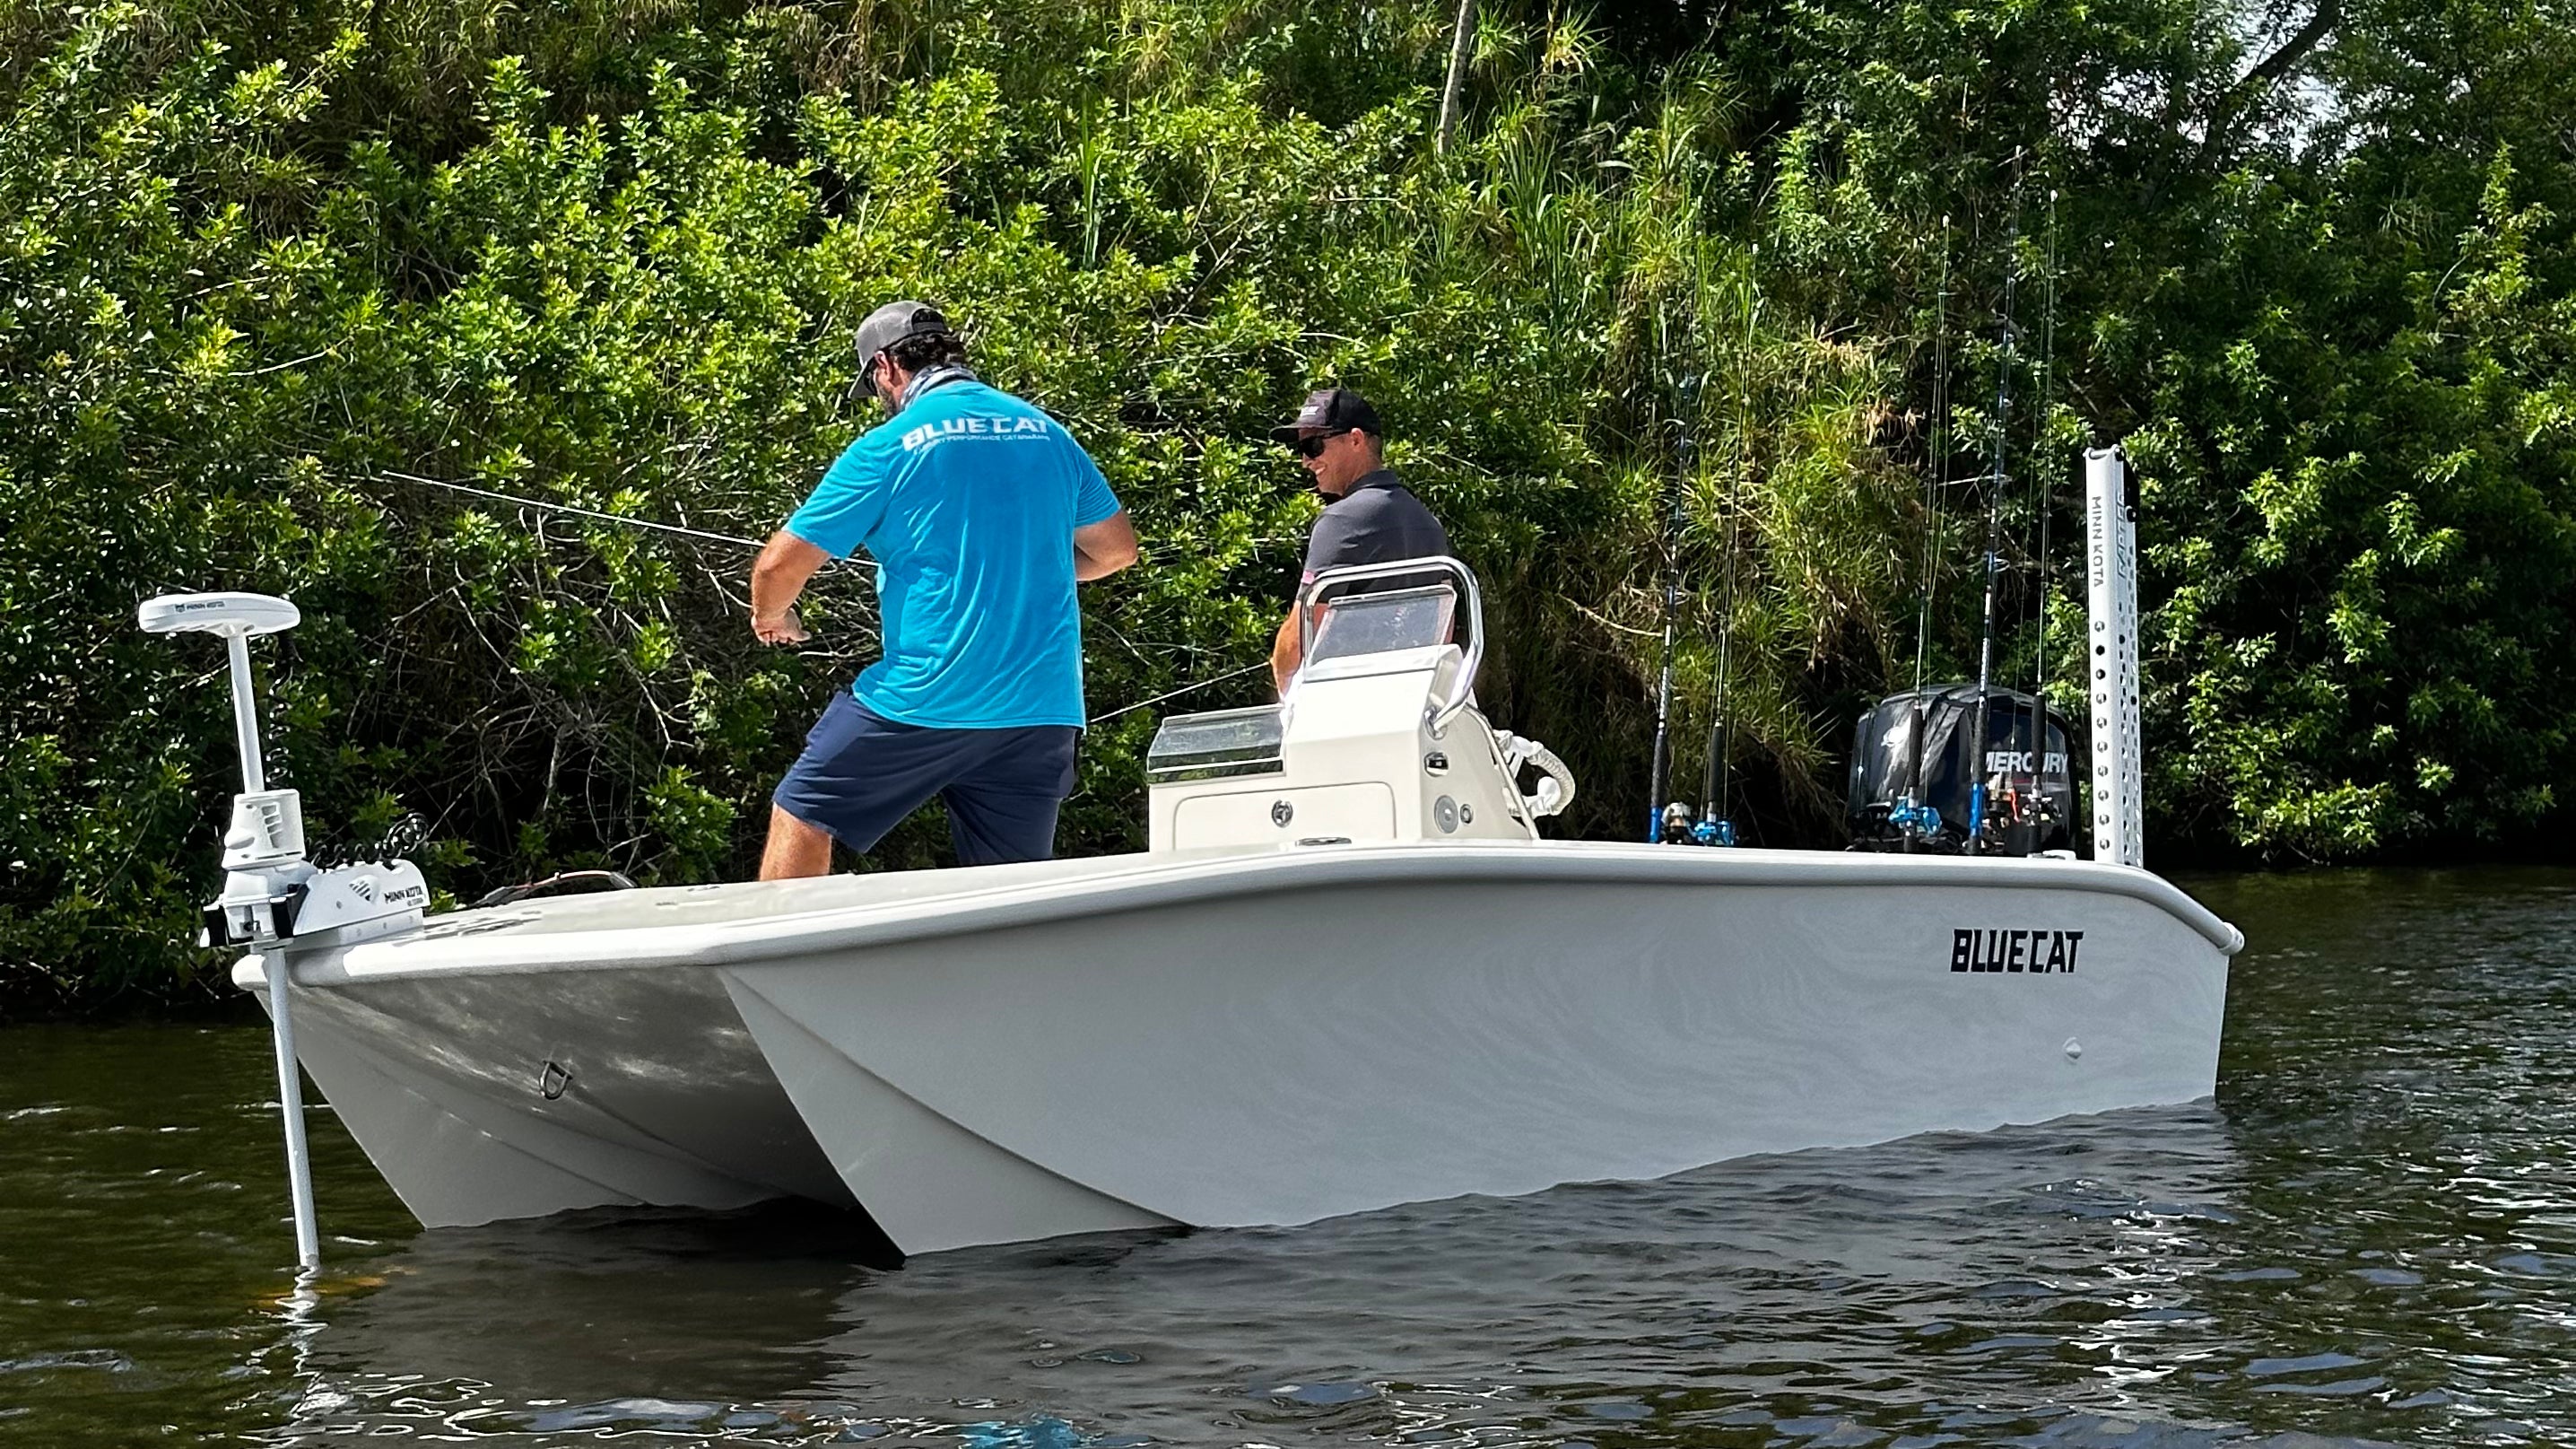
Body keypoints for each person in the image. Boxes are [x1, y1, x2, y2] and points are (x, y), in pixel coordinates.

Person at [749, 301, 1139, 879]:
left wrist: (772, 618)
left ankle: (777, 958)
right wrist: (1039, 572)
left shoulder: (891, 444)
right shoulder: (1048, 434)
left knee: (804, 809)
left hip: (926, 697)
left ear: (885, 368)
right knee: (1010, 893)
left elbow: (777, 569)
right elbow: (1117, 552)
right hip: (1041, 709)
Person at [1266, 387, 1450, 693]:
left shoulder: (1340, 522)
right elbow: (1442, 627)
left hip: (1351, 701)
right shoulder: (1426, 522)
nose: (1305, 462)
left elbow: (1298, 641)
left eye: (1313, 446)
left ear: (1355, 440)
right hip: (1412, 698)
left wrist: (1284, 689)